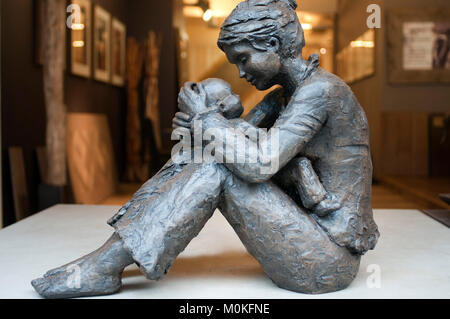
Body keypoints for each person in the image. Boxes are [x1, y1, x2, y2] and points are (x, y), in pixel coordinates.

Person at [32, 0, 379, 299]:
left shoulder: (322, 93)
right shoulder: (281, 98)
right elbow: (229, 138)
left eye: (244, 58)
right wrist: (201, 126)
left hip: (328, 259)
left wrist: (205, 122)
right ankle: (108, 258)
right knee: (211, 154)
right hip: (310, 240)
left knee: (218, 166)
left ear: (272, 43)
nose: (240, 72)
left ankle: (105, 264)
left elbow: (258, 164)